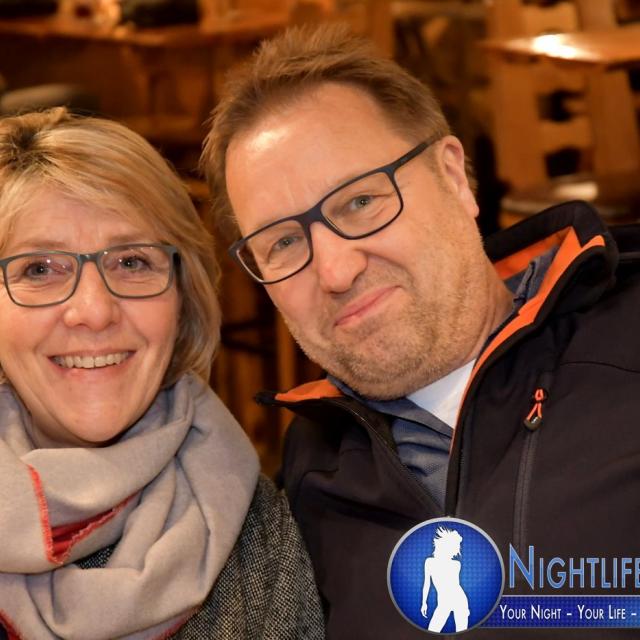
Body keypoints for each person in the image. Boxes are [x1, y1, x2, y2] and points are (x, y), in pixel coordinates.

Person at [201, 24, 640, 640]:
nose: (335, 270)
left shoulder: (622, 343)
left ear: (453, 177)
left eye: (360, 202)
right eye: (283, 243)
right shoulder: (302, 483)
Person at [0, 108, 324, 640]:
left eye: (131, 262)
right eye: (40, 269)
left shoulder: (259, 534)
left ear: (183, 299)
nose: (95, 311)